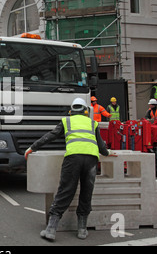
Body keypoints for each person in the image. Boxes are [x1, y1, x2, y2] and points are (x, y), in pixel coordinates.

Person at [25, 98, 113, 242]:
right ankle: (82, 230)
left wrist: (32, 147)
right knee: (86, 192)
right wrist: (108, 153)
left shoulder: (67, 121)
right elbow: (102, 147)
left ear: (71, 111)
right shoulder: (92, 123)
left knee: (66, 190)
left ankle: (51, 229)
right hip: (91, 159)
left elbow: (50, 136)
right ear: (86, 111)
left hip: (73, 159)